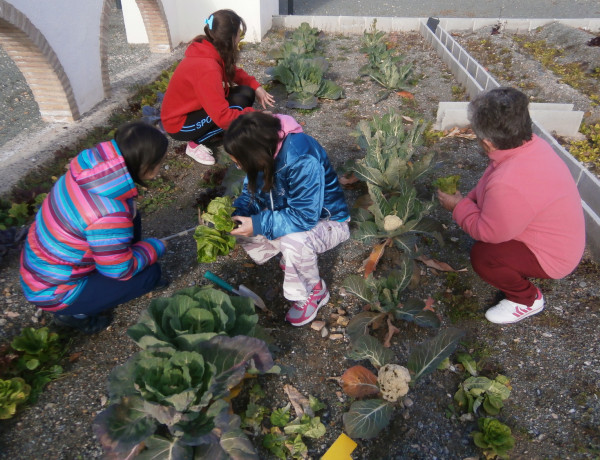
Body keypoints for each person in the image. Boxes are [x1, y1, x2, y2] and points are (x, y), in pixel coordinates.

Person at [437, 87, 585, 324]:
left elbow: (488, 233)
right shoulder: (531, 146)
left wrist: (458, 207)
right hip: (558, 236)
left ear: (487, 143)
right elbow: (490, 180)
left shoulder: (510, 182)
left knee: (484, 255)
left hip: (553, 257)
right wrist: (471, 200)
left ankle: (526, 300)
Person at [19, 121, 170, 334]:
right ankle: (73, 316)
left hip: (42, 267)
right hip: (54, 291)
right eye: (158, 164)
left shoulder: (89, 171)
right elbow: (119, 271)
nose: (160, 168)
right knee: (150, 273)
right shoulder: (109, 213)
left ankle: (120, 257)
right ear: (144, 166)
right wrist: (155, 247)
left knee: (132, 213)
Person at [224, 112, 350, 327]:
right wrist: (237, 212)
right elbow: (250, 193)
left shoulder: (302, 159)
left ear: (254, 154)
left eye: (240, 163)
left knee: (294, 241)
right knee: (240, 221)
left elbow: (305, 217)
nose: (240, 168)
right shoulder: (264, 149)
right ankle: (293, 259)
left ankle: (314, 291)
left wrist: (258, 224)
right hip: (290, 212)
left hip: (329, 222)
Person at [161, 9, 275, 166]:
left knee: (246, 93)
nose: (239, 39)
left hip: (192, 111)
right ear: (230, 39)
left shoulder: (209, 47)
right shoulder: (206, 67)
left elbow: (234, 72)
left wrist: (256, 87)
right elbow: (222, 117)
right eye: (238, 35)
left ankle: (213, 132)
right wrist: (256, 116)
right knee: (236, 107)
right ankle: (194, 144)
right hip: (179, 124)